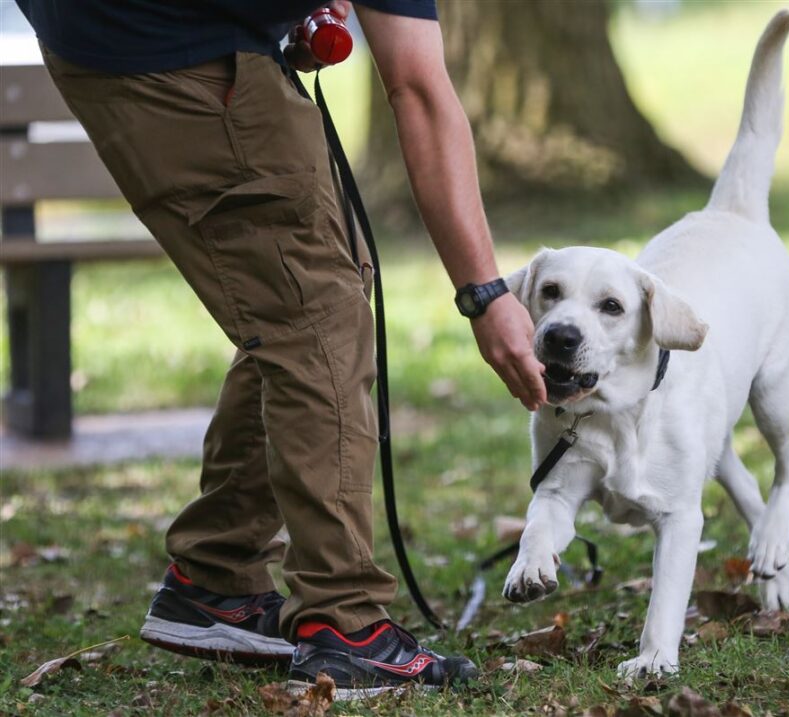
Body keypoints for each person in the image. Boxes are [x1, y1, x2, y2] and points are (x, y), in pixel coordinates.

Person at [15, 0, 547, 698]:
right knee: (317, 315)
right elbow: (415, 88)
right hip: (166, 43)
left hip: (147, 33)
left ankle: (217, 577)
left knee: (318, 292)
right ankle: (346, 627)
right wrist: (484, 293)